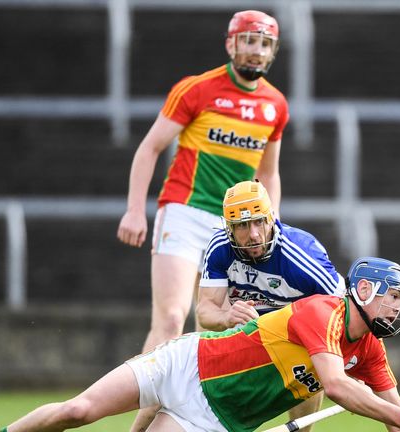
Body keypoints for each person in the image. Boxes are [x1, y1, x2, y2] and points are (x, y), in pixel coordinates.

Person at [1, 257, 400, 432]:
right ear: (364, 289)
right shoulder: (320, 312)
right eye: (395, 298)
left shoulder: (369, 350)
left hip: (211, 419)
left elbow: (397, 416)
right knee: (76, 412)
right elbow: (337, 387)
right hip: (185, 363)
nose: (398, 309)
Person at [115, 10, 288, 431]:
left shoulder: (275, 105)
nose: (255, 49)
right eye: (247, 40)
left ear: (273, 51)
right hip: (185, 211)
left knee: (211, 331)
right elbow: (150, 147)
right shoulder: (197, 89)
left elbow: (268, 175)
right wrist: (136, 208)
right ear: (231, 44)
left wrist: (273, 227)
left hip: (235, 228)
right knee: (171, 321)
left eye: (264, 43)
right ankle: (135, 426)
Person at [196, 180, 345, 430]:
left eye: (259, 222)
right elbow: (205, 311)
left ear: (271, 218)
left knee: (312, 357)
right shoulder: (220, 247)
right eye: (242, 225)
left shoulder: (303, 255)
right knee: (194, 353)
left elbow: (345, 311)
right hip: (247, 333)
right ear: (229, 228)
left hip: (295, 335)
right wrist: (226, 316)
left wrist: (352, 362)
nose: (253, 234)